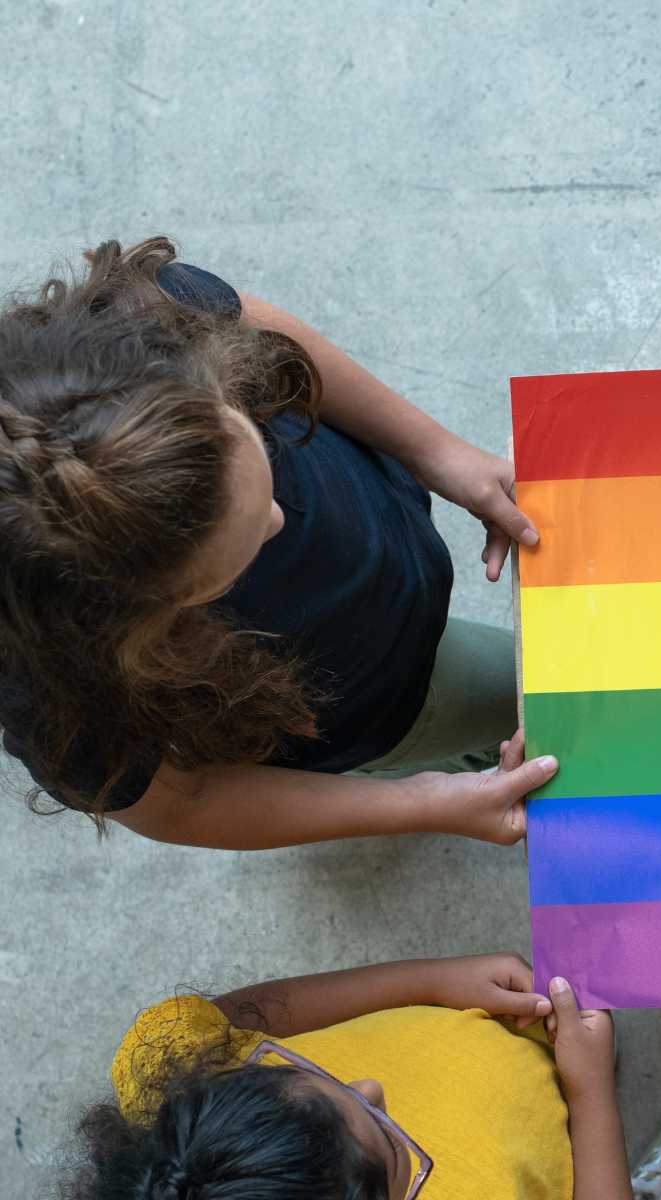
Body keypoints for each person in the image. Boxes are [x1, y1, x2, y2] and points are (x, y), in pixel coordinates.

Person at [0, 237, 553, 849]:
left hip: (389, 599)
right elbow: (185, 806)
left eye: (251, 442)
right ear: (134, 624)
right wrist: (422, 802)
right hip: (376, 703)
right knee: (512, 707)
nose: (276, 517)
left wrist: (434, 449)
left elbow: (260, 334)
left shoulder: (138, 323)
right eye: (235, 556)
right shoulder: (58, 699)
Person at [64, 953, 661, 1199]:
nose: (372, 1088)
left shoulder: (166, 1073)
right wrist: (592, 1096)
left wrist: (434, 980)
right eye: (396, 1152)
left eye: (314, 1074)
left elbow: (258, 1015)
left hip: (504, 1059)